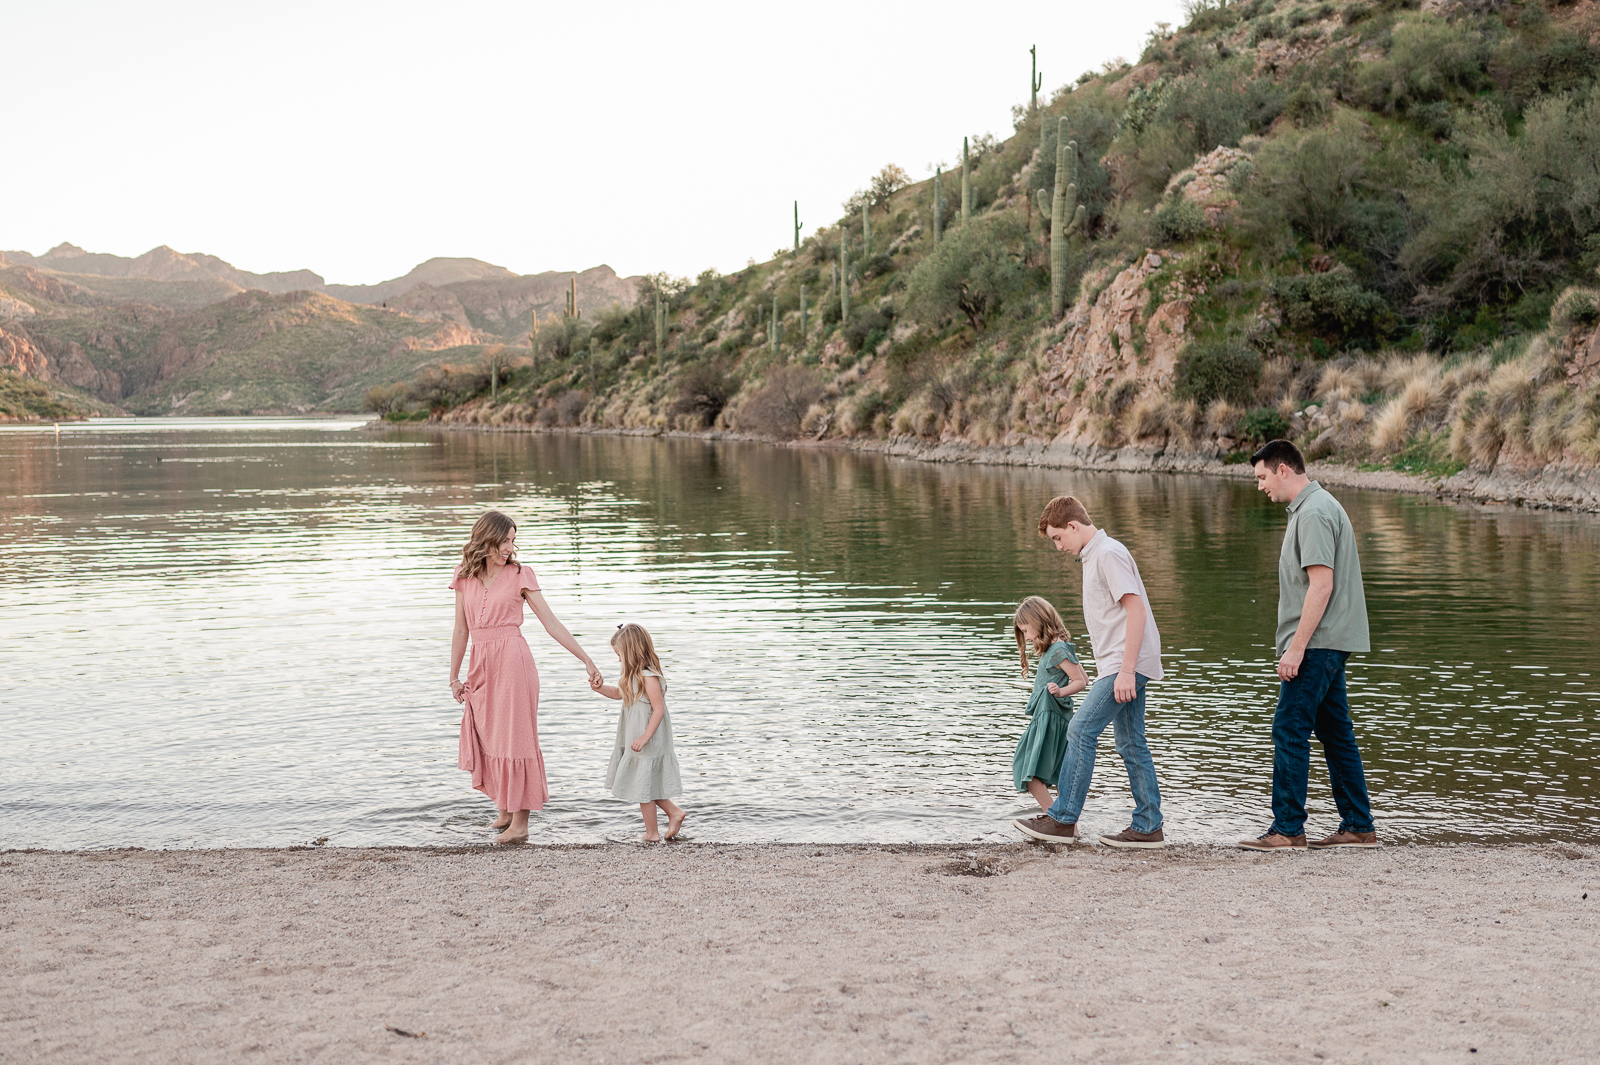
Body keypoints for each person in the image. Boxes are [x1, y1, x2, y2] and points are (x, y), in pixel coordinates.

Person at [1238, 440, 1379, 852]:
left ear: (1284, 470)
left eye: (1262, 477)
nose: (1260, 486)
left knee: (1289, 728)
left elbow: (1322, 585)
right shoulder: (1316, 507)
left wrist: (1296, 648)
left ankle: (1287, 829)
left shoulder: (1314, 512)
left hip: (1317, 642)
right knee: (1336, 734)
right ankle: (1358, 825)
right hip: (1330, 640)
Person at [1014, 496, 1168, 849]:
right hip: (1123, 664)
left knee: (1080, 729)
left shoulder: (1108, 553)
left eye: (1057, 538)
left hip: (1123, 665)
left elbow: (1137, 611)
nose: (1058, 547)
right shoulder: (1095, 555)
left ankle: (1063, 819)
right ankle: (1148, 826)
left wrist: (1127, 671)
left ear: (1073, 526)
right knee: (1131, 742)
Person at [449, 510, 602, 844]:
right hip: (481, 662)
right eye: (505, 540)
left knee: (516, 738)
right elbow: (461, 628)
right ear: (486, 538)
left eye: (513, 541)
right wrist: (453, 677)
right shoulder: (464, 575)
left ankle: (520, 824)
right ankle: (503, 811)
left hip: (514, 663)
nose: (510, 547)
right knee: (488, 734)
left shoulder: (521, 574)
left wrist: (586, 659)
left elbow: (551, 623)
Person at [592, 623, 686, 842]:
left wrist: (645, 737)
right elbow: (618, 694)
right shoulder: (633, 677)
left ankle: (653, 833)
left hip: (649, 738)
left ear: (631, 651)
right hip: (638, 738)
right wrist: (598, 688)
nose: (618, 660)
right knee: (645, 782)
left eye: (620, 655)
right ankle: (673, 813)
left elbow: (659, 709)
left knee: (643, 783)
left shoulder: (648, 677)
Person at [1011, 596, 1089, 812]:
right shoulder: (1059, 647)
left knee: (1028, 770)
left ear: (1038, 621)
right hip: (1050, 717)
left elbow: (1081, 681)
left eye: (1026, 630)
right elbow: (1085, 677)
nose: (1026, 637)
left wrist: (1060, 690)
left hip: (1049, 718)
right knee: (1056, 773)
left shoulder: (1058, 650)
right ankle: (1067, 824)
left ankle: (1055, 818)